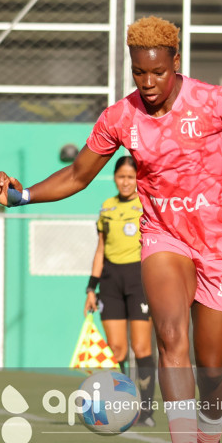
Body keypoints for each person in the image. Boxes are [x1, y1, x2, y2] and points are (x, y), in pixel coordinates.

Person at [0, 16, 222, 443]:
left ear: (176, 62)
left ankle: (209, 442)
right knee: (172, 337)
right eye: (138, 73)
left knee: (212, 369)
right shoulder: (120, 117)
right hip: (163, 236)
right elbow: (77, 175)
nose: (147, 84)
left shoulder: (213, 101)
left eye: (157, 72)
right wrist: (21, 195)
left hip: (220, 244)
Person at [84, 155, 156, 427]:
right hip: (111, 282)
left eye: (130, 177)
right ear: (114, 178)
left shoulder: (146, 204)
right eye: (121, 177)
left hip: (139, 280)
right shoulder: (107, 208)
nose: (125, 182)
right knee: (117, 349)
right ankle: (126, 408)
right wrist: (91, 287)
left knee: (141, 347)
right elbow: (100, 249)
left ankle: (147, 410)